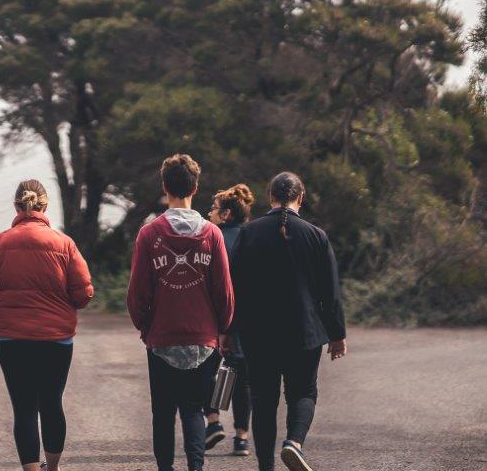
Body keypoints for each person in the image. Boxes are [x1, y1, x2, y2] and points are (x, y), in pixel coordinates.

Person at [0, 179, 94, 471]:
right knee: (52, 403)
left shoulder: (0, 242)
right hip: (56, 338)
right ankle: (53, 468)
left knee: (23, 407)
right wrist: (66, 307)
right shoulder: (64, 243)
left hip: (11, 337)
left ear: (16, 206)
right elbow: (83, 292)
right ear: (45, 206)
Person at [126, 154, 235, 471]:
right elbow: (224, 291)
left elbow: (137, 292)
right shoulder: (212, 234)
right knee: (193, 411)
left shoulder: (149, 234)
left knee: (162, 412)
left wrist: (145, 326)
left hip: (161, 336)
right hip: (203, 338)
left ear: (164, 187)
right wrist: (222, 327)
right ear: (195, 187)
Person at [233, 172, 347, 471]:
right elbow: (330, 292)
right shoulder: (316, 236)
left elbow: (235, 287)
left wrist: (228, 330)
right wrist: (337, 334)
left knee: (263, 401)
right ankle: (294, 443)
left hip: (258, 334)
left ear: (270, 196)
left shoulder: (249, 233)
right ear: (301, 197)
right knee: (303, 393)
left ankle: (266, 467)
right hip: (304, 332)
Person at [204, 184, 255, 457]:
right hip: (245, 319)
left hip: (214, 317)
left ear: (225, 214)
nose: (209, 213)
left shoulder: (212, 238)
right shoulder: (252, 237)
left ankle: (213, 421)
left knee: (204, 371)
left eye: (213, 209)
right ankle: (242, 439)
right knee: (241, 378)